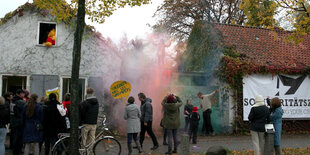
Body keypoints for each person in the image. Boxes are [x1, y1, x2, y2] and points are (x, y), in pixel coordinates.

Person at [79, 88, 99, 154]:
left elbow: (82, 113)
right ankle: (91, 152)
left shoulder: (85, 103)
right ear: (93, 93)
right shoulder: (97, 102)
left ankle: (82, 152)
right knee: (92, 139)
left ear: (86, 93)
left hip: (85, 123)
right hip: (94, 123)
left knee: (83, 139)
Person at [11, 89, 26, 155]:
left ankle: (14, 150)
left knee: (15, 137)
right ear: (20, 94)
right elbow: (23, 112)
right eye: (23, 93)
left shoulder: (12, 100)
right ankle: (17, 151)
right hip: (19, 122)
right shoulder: (20, 102)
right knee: (19, 138)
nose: (24, 95)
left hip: (14, 121)